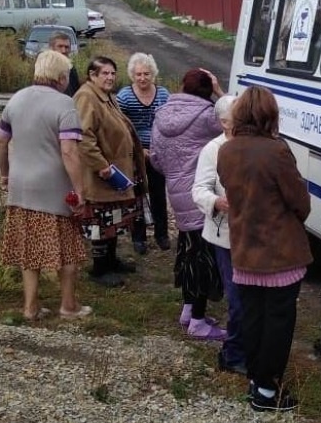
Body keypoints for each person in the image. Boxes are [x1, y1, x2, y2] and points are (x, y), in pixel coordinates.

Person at [217, 86, 312, 413]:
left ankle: (256, 380)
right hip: (280, 252)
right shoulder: (277, 151)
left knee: (253, 318)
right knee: (279, 322)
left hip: (244, 248)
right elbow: (300, 201)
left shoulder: (227, 151)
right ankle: (268, 391)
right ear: (270, 115)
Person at [0, 49, 91, 321]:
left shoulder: (16, 99)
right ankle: (69, 305)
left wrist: (5, 174)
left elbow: (0, 141)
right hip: (54, 190)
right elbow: (70, 152)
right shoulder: (64, 105)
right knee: (68, 248)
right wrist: (79, 191)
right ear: (61, 77)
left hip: (21, 187)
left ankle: (30, 307)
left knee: (29, 250)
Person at [150, 68, 227, 340]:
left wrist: (174, 174)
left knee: (187, 252)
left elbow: (155, 158)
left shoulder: (161, 114)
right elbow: (238, 118)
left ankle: (187, 309)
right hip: (201, 193)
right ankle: (197, 322)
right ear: (207, 90)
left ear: (182, 86)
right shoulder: (208, 117)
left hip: (176, 191)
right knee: (203, 259)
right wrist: (219, 91)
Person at [74, 56, 146, 288]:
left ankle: (111, 261)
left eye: (112, 73)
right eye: (104, 73)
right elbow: (83, 137)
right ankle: (99, 269)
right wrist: (102, 166)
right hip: (101, 175)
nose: (110, 77)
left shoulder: (105, 97)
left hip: (115, 173)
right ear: (91, 75)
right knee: (100, 222)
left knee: (112, 220)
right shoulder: (86, 97)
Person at [191, 94, 246, 374]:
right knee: (237, 298)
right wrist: (216, 201)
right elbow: (199, 189)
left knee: (250, 297)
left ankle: (246, 346)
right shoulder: (213, 150)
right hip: (224, 235)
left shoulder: (252, 145)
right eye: (239, 117)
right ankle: (233, 353)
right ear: (225, 122)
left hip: (252, 234)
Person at [116, 53, 171, 254]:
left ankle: (162, 234)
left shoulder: (164, 94)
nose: (142, 78)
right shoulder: (124, 96)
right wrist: (139, 149)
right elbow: (120, 128)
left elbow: (170, 122)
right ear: (132, 75)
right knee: (137, 195)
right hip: (135, 154)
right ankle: (138, 237)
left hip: (158, 154)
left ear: (153, 74)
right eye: (138, 74)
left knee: (159, 194)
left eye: (146, 74)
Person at [48, 31, 80, 97]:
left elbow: (76, 92)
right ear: (51, 48)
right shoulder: (45, 69)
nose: (64, 51)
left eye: (66, 47)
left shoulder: (71, 69)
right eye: (60, 46)